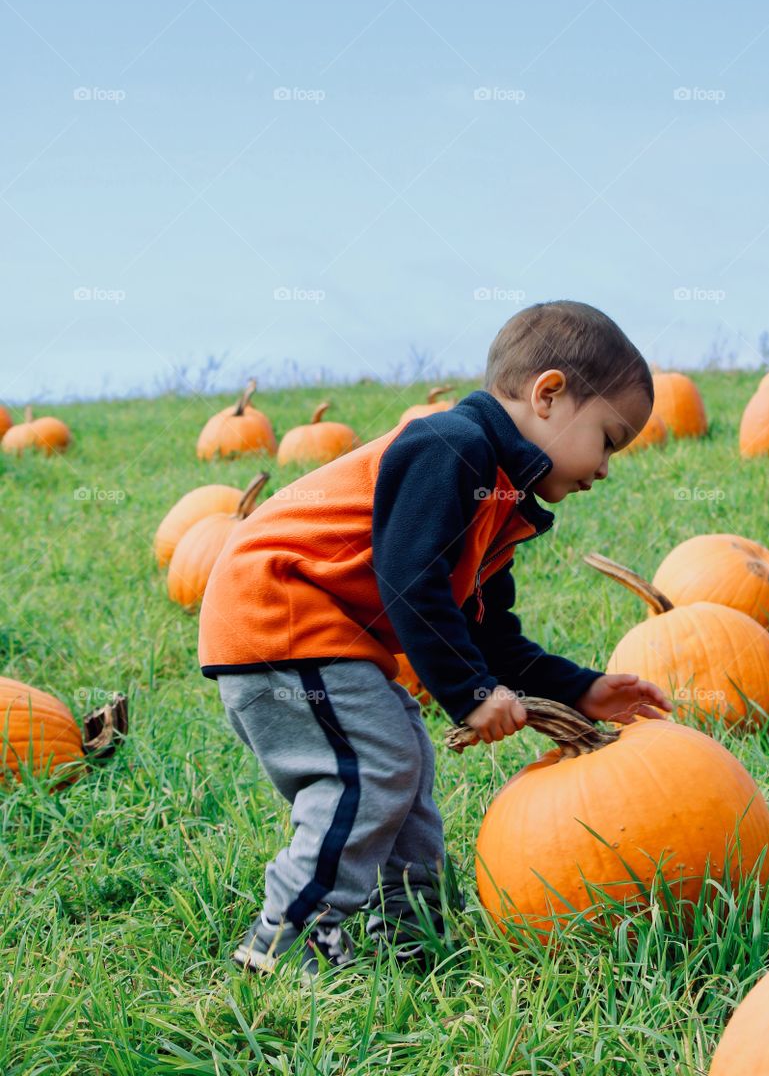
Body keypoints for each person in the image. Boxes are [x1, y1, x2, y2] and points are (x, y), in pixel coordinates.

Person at [198, 299, 671, 983]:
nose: (605, 468)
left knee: (404, 766)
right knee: (374, 768)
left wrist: (580, 689)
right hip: (281, 615)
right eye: (608, 438)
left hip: (325, 636)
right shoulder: (448, 448)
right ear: (548, 396)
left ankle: (410, 941)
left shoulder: (503, 500)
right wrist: (472, 694)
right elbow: (410, 580)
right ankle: (287, 936)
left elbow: (487, 633)